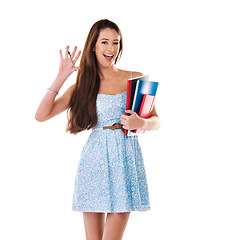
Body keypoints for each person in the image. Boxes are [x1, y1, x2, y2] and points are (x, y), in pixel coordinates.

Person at [35, 19, 160, 240]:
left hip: (124, 160)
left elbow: (156, 120)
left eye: (116, 42)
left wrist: (140, 123)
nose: (111, 48)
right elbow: (41, 115)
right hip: (94, 163)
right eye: (105, 42)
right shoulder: (83, 85)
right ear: (94, 45)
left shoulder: (134, 77)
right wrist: (61, 77)